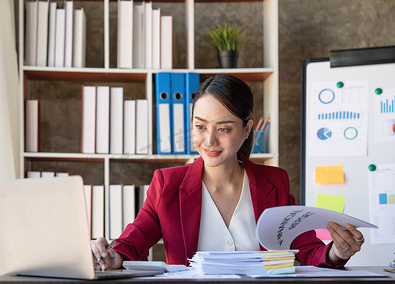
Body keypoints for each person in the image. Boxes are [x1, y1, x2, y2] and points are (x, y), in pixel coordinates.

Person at [91, 74, 365, 271]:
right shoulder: (167, 184)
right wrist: (111, 255)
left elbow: (306, 250)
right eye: (200, 126)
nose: (209, 140)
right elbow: (132, 242)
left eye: (223, 128)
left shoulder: (274, 183)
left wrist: (336, 252)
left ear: (247, 129)